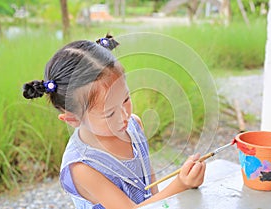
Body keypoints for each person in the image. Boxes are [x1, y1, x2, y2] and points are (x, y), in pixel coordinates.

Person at [22, 34, 206, 209]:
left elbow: (151, 190)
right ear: (72, 119)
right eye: (109, 113)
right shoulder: (82, 167)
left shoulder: (134, 126)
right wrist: (181, 184)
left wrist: (178, 187)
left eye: (126, 99)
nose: (124, 115)